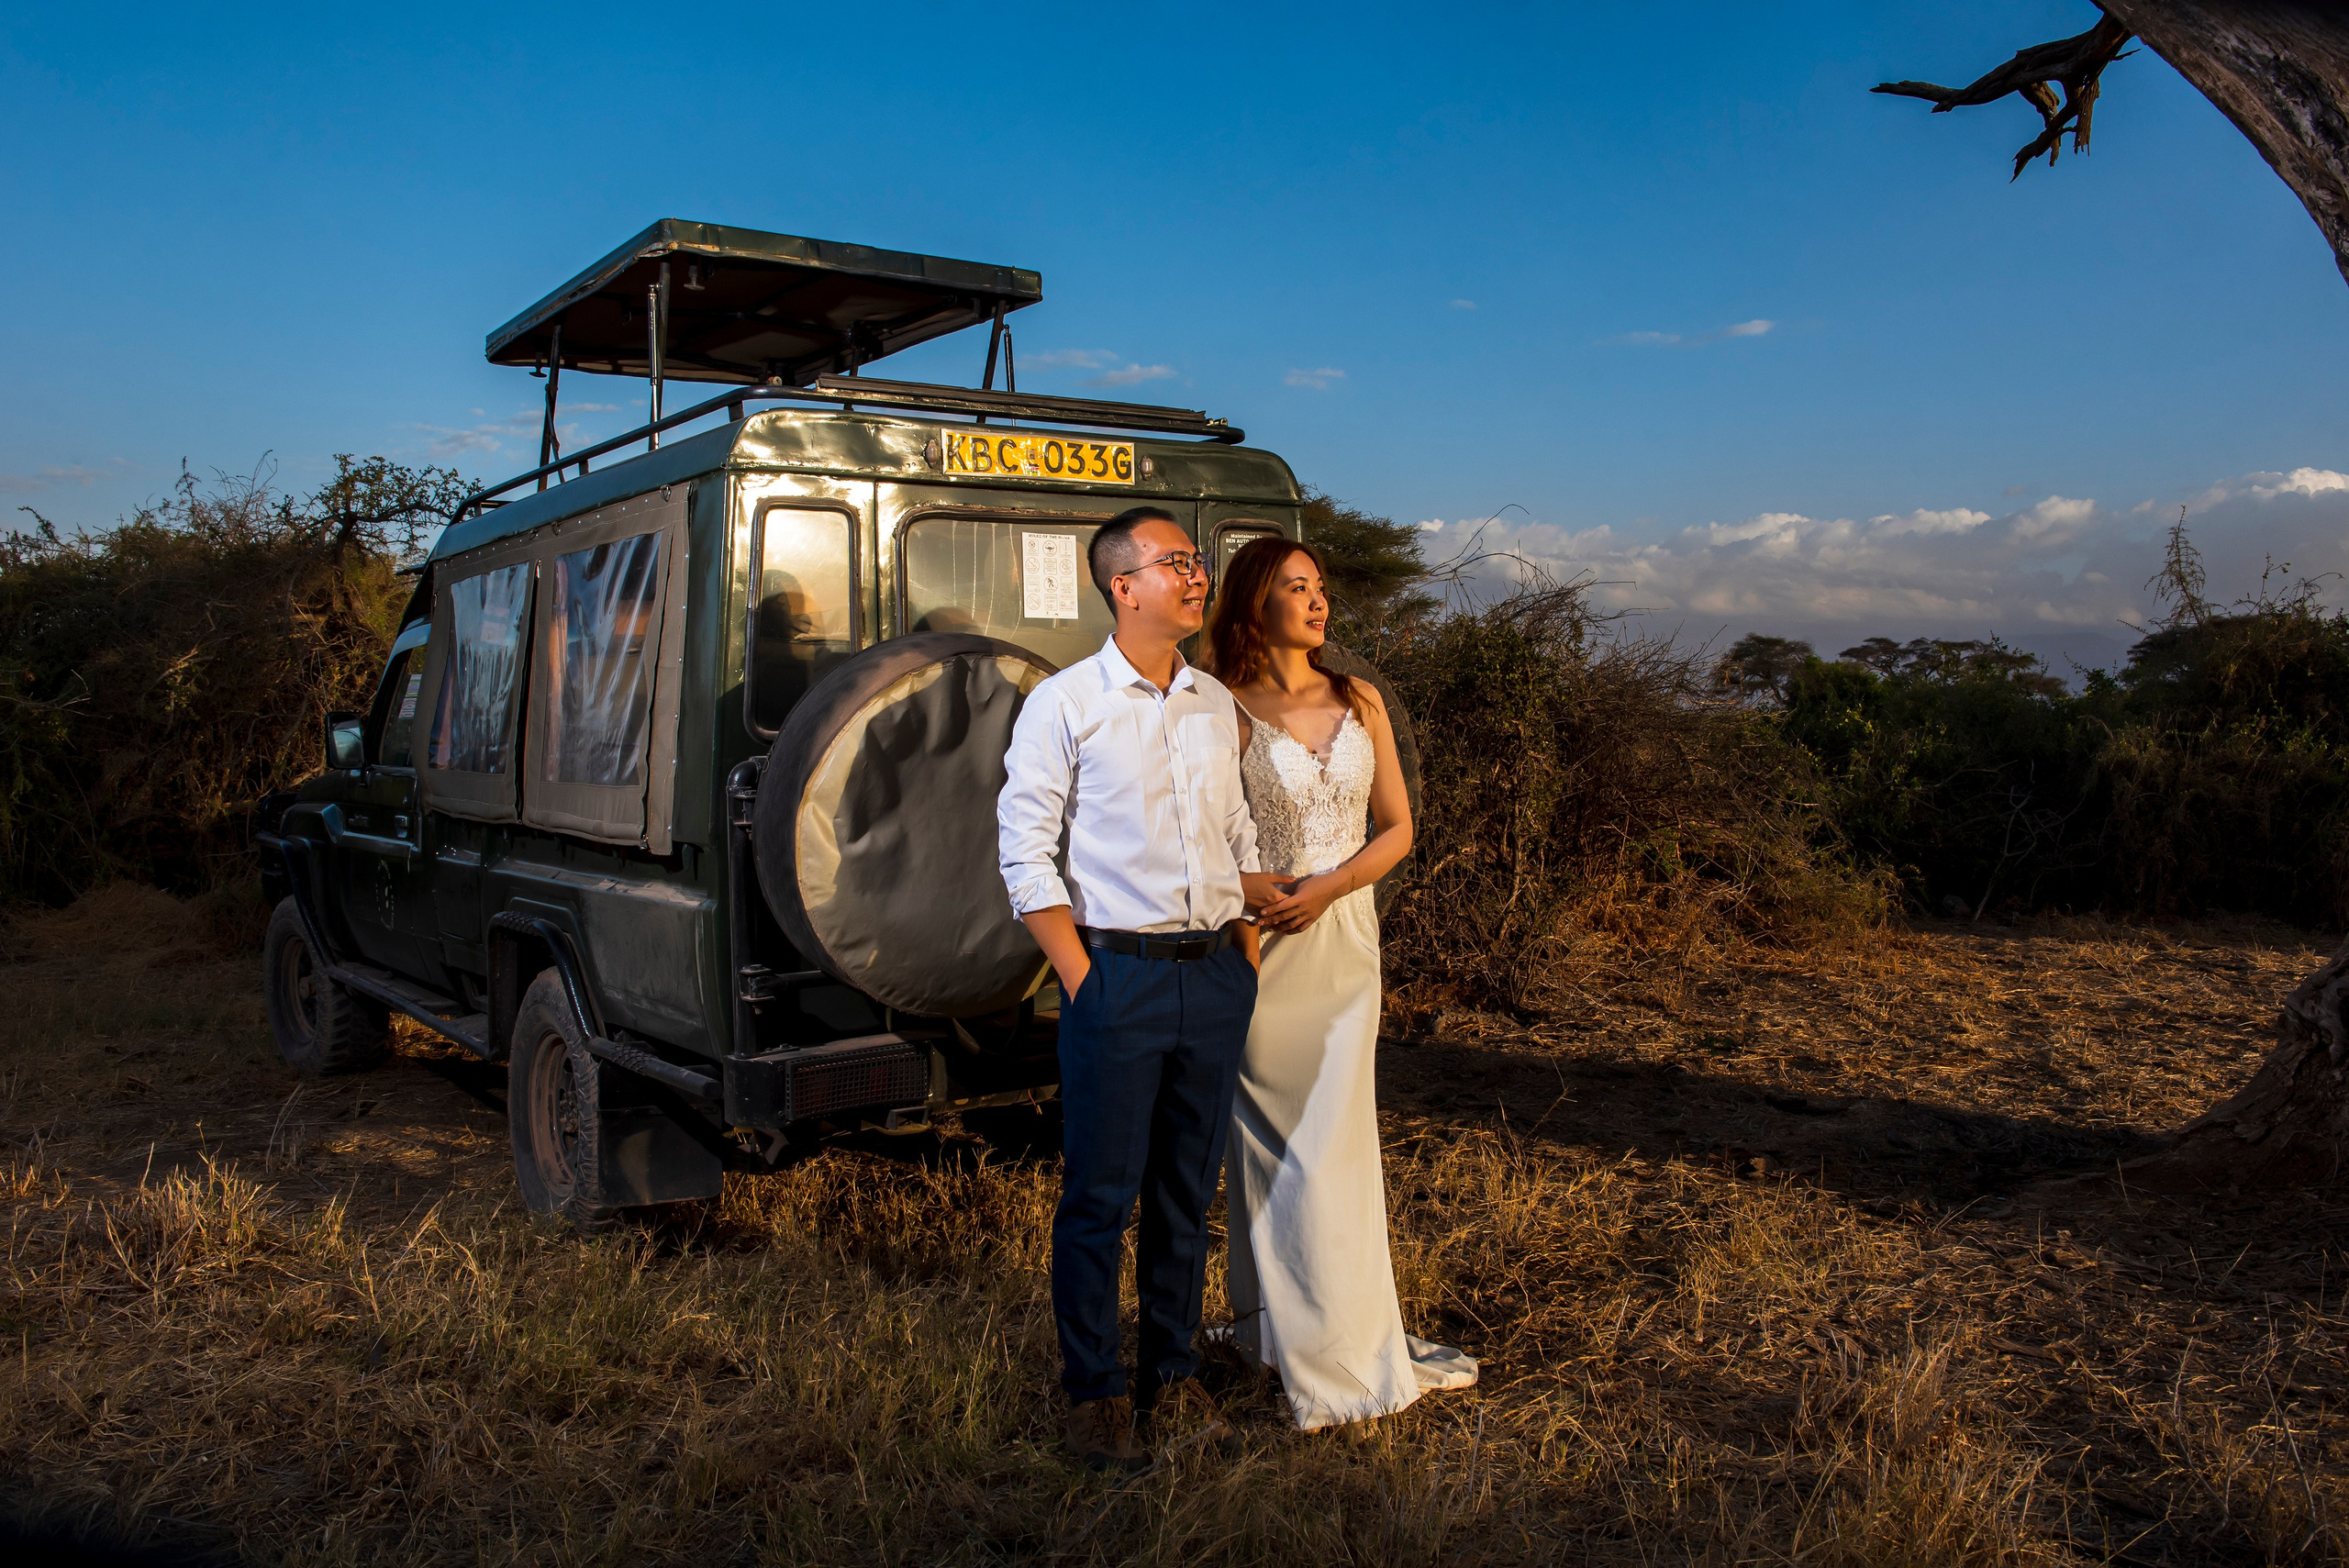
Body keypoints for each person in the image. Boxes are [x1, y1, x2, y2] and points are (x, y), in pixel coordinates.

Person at [996, 506, 1264, 1472]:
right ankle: (1094, 1391)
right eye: (1177, 562)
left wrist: (1243, 949)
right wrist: (1083, 977)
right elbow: (1024, 854)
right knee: (1098, 1198)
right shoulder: (1065, 702)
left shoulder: (1211, 700)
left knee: (1187, 1195)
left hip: (1214, 980)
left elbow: (1236, 833)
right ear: (1123, 585)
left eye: (1197, 562)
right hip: (1118, 981)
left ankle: (1174, 1373)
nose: (1197, 576)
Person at [1204, 536, 1477, 1430]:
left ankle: (1336, 1349)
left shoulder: (1359, 696)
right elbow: (1189, 841)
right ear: (1255, 602)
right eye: (1295, 586)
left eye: (1320, 586)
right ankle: (1275, 1336)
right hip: (1258, 951)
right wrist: (1250, 889)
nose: (1318, 601)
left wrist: (1330, 886)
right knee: (1272, 1150)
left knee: (1334, 1147)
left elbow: (1397, 827)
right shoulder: (1222, 708)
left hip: (1346, 940)